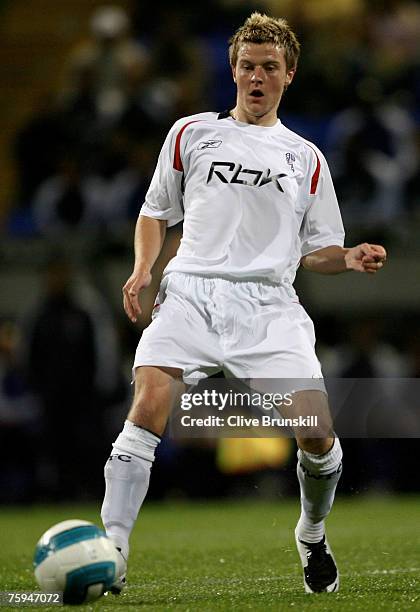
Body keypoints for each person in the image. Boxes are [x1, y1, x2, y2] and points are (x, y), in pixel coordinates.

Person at [101, 13, 387, 594]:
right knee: (150, 401)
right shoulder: (190, 133)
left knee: (317, 435)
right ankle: (114, 554)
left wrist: (349, 256)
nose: (257, 77)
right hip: (191, 294)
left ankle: (310, 532)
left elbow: (318, 251)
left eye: (269, 68)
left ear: (290, 75)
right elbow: (156, 211)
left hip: (269, 307)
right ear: (233, 70)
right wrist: (142, 269)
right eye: (247, 66)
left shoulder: (306, 158)